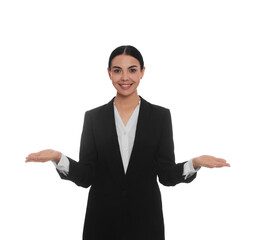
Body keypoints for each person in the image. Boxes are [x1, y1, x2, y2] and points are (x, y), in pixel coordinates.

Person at [25, 45, 230, 240]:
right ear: (109, 73)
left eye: (132, 70)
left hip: (146, 225)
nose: (125, 77)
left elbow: (166, 175)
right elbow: (86, 176)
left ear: (142, 72)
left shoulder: (160, 117)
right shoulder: (93, 118)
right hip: (101, 224)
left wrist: (194, 163)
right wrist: (58, 157)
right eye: (117, 70)